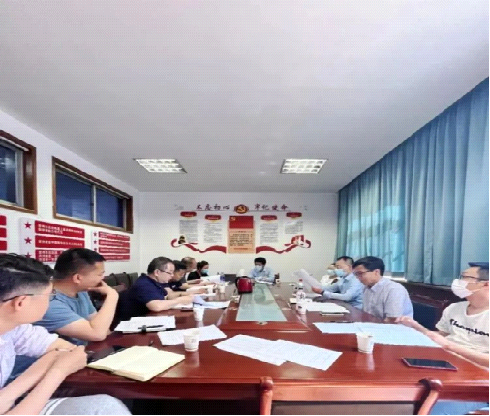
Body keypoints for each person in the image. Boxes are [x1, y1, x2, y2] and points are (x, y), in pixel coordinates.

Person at [0, 253, 130, 415]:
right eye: (50, 295)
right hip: (22, 400)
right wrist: (57, 371)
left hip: (15, 399)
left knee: (105, 405)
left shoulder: (17, 328)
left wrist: (9, 395)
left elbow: (67, 350)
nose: (51, 300)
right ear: (21, 302)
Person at [397, 262, 489, 415]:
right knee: (401, 396)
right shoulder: (454, 308)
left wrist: (451, 347)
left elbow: (447, 344)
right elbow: (440, 337)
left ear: (486, 284)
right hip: (445, 366)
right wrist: (417, 327)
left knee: (425, 409)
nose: (459, 282)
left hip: (477, 382)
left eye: (465, 277)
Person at [35, 248, 118, 345]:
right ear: (78, 278)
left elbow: (101, 327)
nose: (103, 278)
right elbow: (97, 334)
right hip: (61, 354)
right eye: (100, 274)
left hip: (83, 350)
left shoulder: (81, 291)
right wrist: (112, 295)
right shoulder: (49, 303)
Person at [117, 257, 195, 321]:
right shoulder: (144, 284)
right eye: (170, 272)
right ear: (157, 272)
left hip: (147, 319)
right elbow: (156, 306)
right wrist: (179, 300)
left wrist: (185, 295)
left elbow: (167, 296)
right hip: (132, 324)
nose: (172, 275)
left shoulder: (156, 282)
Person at [352, 256, 413, 321]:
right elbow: (367, 313)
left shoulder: (394, 289)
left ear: (376, 272)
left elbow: (392, 319)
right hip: (373, 324)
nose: (357, 277)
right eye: (356, 274)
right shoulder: (366, 288)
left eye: (360, 273)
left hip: (394, 326)